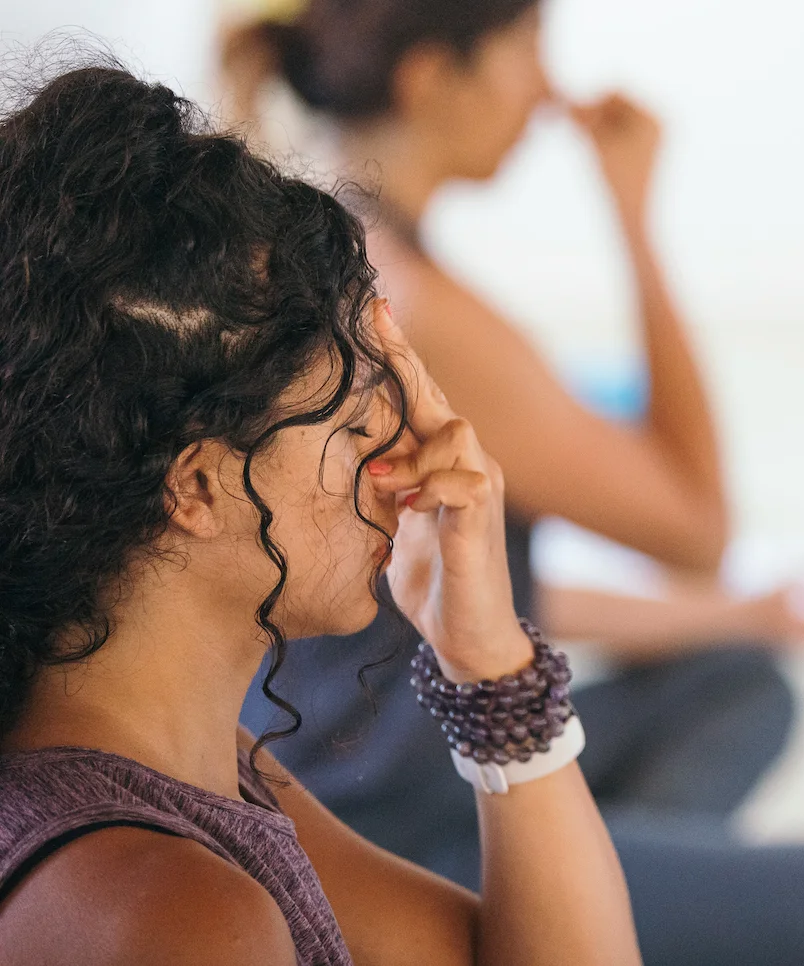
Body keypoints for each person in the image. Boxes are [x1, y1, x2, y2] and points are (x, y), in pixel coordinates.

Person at [223, 2, 804, 964]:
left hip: (357, 761)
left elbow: (442, 588)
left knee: (736, 683)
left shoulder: (326, 244)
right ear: (432, 77)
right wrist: (633, 213)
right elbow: (695, 527)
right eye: (527, 49)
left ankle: (601, 896)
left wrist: (749, 614)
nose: (548, 90)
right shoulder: (415, 309)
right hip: (400, 815)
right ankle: (569, 907)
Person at [0, 62, 642, 965]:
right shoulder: (179, 913)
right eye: (352, 424)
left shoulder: (197, 769)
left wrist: (488, 660)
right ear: (197, 487)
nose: (403, 457)